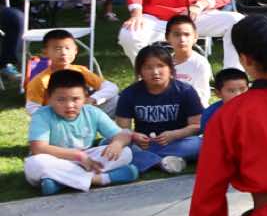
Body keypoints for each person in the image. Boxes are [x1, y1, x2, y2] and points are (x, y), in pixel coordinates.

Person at [26, 69, 137, 193]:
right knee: (35, 163)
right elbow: (38, 148)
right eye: (61, 100)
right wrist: (78, 156)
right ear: (48, 97)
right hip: (56, 159)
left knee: (125, 152)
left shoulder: (92, 112)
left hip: (86, 159)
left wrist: (117, 143)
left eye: (75, 99)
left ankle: (60, 182)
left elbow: (123, 135)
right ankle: (102, 179)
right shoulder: (41, 115)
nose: (69, 105)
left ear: (86, 96)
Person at [114, 42, 204, 176]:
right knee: (112, 144)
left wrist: (174, 135)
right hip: (144, 144)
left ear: (170, 68)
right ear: (140, 71)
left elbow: (197, 126)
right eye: (148, 67)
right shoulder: (129, 94)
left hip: (177, 142)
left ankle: (147, 160)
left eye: (161, 66)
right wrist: (134, 136)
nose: (155, 72)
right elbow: (122, 129)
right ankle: (162, 162)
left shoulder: (185, 91)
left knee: (201, 144)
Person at [23, 29, 116, 114]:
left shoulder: (81, 71)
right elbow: (32, 107)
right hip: (57, 117)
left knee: (116, 100)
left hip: (83, 112)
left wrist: (93, 99)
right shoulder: (40, 80)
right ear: (45, 53)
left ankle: (121, 126)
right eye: (57, 49)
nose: (63, 53)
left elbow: (111, 87)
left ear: (75, 50)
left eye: (67, 48)